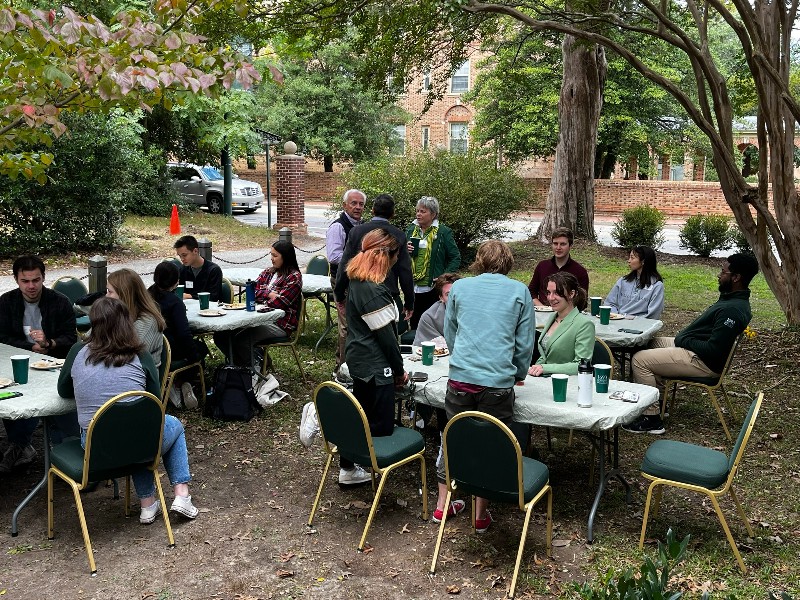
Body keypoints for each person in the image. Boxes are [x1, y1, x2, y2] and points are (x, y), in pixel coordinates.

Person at [57, 297, 199, 523]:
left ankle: (148, 504)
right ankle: (180, 494)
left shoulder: (77, 351)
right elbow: (154, 404)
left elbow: (63, 390)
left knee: (133, 430)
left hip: (96, 448)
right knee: (162, 427)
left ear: (94, 323)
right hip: (137, 444)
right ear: (126, 323)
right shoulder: (140, 354)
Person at [442, 240, 535, 531]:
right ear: (508, 262)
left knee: (454, 438)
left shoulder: (459, 287)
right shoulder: (519, 291)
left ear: (479, 260)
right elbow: (525, 342)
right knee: (491, 444)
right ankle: (480, 513)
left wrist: (461, 360)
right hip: (497, 382)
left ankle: (443, 503)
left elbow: (450, 331)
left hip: (461, 378)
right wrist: (518, 372)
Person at [624, 253, 759, 435]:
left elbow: (714, 350)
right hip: (695, 349)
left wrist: (685, 340)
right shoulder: (731, 299)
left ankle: (652, 419)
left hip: (703, 362)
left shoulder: (732, 310)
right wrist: (685, 340)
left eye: (723, 272)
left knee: (640, 360)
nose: (719, 275)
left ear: (736, 277)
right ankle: (659, 402)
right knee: (649, 343)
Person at [341, 228, 408, 485]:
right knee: (380, 425)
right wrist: (399, 370)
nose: (397, 260)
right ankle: (320, 416)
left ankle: (348, 467)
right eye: (396, 255)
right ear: (384, 255)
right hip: (376, 365)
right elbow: (387, 339)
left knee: (362, 413)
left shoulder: (359, 280)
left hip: (360, 358)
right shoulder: (372, 290)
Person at [0, 255, 77, 474]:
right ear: (16, 280)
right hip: (18, 360)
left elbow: (71, 338)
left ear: (43, 278)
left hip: (53, 363)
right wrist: (29, 346)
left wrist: (49, 343)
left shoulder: (59, 301)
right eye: (25, 281)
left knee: (52, 396)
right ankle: (21, 443)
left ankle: (23, 445)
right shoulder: (6, 302)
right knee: (12, 393)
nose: (31, 286)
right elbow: (2, 337)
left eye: (36, 280)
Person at [214, 241, 302, 368]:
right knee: (221, 336)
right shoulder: (268, 272)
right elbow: (251, 291)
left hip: (279, 323)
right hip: (257, 317)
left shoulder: (294, 277)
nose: (272, 259)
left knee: (242, 339)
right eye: (271, 255)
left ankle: (254, 367)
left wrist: (262, 296)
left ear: (286, 257)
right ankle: (243, 364)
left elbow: (280, 303)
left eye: (275, 256)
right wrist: (269, 294)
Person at [335, 194, 415, 325]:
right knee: (385, 330)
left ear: (372, 210)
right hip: (387, 294)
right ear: (393, 213)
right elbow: (405, 270)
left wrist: (339, 295)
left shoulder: (356, 231)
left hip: (359, 293)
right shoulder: (399, 235)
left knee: (358, 330)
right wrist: (409, 301)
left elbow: (345, 265)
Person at [148, 261, 207, 409]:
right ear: (176, 282)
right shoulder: (175, 302)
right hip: (170, 350)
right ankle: (181, 382)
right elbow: (184, 334)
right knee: (201, 348)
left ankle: (176, 383)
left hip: (149, 347)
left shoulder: (147, 295)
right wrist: (194, 356)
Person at [406, 196, 461, 330]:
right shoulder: (411, 230)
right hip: (412, 286)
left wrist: (444, 277)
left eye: (423, 211)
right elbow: (400, 257)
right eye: (417, 211)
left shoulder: (443, 232)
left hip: (433, 287)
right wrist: (404, 250)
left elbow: (455, 257)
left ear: (433, 214)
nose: (418, 214)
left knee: (434, 324)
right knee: (415, 324)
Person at [326, 189, 366, 375]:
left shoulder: (362, 225)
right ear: (344, 205)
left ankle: (347, 364)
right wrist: (361, 259)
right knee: (347, 326)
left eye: (361, 204)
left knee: (355, 324)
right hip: (342, 281)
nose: (357, 207)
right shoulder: (338, 227)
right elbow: (334, 257)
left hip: (358, 281)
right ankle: (342, 371)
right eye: (353, 203)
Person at [528, 272, 595, 377]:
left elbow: (581, 365)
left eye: (556, 293)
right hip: (544, 378)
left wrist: (545, 368)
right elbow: (546, 355)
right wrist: (536, 368)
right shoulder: (552, 317)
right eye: (548, 292)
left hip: (566, 381)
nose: (550, 298)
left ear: (571, 294)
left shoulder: (584, 325)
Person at [106, 269, 165, 369]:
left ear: (124, 295)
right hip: (114, 369)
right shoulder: (116, 314)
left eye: (110, 292)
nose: (106, 296)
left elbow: (130, 357)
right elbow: (87, 341)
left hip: (137, 374)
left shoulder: (149, 322)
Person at [528, 227, 590, 306]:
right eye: (555, 243)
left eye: (563, 244)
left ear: (570, 246)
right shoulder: (542, 266)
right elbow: (531, 292)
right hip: (543, 310)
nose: (558, 248)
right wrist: (542, 307)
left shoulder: (580, 271)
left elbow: (582, 301)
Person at [605, 246, 664, 318]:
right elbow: (609, 303)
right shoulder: (623, 281)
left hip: (641, 324)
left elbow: (653, 314)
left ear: (643, 261)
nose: (629, 261)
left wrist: (631, 319)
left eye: (632, 258)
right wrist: (616, 316)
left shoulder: (656, 285)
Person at [412, 273, 460, 346]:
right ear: (441, 298)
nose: (453, 297)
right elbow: (423, 347)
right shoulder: (429, 317)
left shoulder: (474, 311)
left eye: (457, 293)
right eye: (448, 294)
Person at [174, 235, 223, 302]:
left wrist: (190, 296)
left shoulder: (213, 270)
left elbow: (213, 297)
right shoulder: (183, 269)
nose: (182, 259)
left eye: (184, 255)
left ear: (195, 251)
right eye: (180, 256)